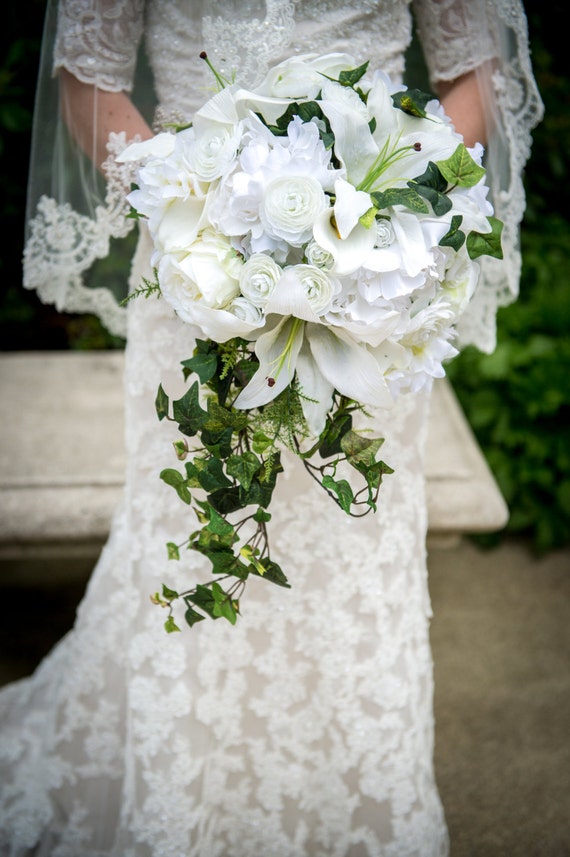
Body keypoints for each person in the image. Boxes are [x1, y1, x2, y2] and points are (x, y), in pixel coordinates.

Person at [0, 2, 543, 855]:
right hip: (188, 271)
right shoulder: (188, 251)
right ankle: (181, 808)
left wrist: (393, 206)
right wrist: (199, 232)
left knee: (351, 543)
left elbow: (474, 73)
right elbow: (89, 74)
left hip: (374, 281)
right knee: (193, 533)